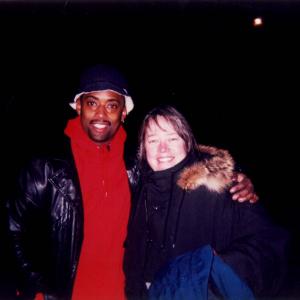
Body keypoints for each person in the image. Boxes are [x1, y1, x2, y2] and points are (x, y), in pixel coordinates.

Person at [7, 65, 257, 300]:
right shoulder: (45, 167)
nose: (101, 114)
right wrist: (36, 289)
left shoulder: (134, 164)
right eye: (92, 103)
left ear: (124, 112)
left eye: (112, 105)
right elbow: (12, 230)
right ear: (78, 107)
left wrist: (231, 174)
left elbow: (178, 159)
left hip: (122, 292)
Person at [123, 105, 289, 300]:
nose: (163, 149)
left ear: (187, 142)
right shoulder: (138, 190)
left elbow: (271, 245)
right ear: (143, 147)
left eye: (172, 138)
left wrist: (217, 270)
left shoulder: (222, 187)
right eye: (153, 140)